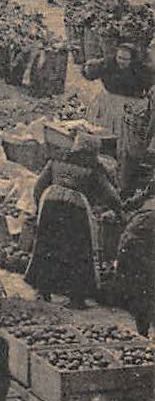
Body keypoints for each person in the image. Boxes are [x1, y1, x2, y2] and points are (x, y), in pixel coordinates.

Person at [25, 138, 121, 309]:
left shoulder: (58, 158)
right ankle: (76, 297)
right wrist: (119, 210)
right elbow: (111, 194)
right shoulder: (94, 167)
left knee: (47, 245)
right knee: (78, 251)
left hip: (50, 202)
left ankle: (43, 291)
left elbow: (39, 185)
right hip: (76, 208)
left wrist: (39, 206)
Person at [84, 42, 155, 194]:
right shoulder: (108, 64)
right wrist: (88, 67)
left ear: (132, 60)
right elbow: (88, 73)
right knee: (99, 138)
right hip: (107, 104)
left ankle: (122, 183)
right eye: (119, 58)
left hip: (129, 107)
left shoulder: (143, 72)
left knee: (125, 145)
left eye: (125, 59)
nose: (121, 61)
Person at [116, 193, 155, 336]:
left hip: (135, 232)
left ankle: (142, 332)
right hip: (141, 235)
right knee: (146, 286)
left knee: (143, 287)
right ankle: (143, 333)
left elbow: (131, 203)